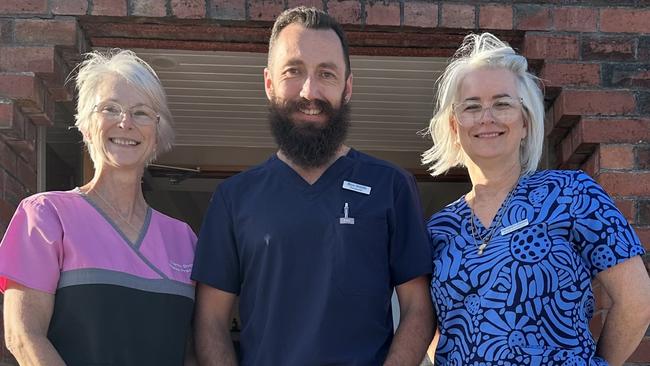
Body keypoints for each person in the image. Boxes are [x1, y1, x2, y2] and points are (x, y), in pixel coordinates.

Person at [192, 6, 434, 366]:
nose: (310, 91)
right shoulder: (234, 198)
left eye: (327, 74)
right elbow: (210, 321)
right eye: (294, 71)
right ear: (269, 82)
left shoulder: (391, 186)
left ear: (348, 87)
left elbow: (418, 308)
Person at [422, 32, 650, 365]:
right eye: (472, 107)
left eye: (502, 103)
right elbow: (436, 332)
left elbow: (637, 300)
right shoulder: (438, 228)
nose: (487, 117)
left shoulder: (572, 193)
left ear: (526, 121)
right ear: (455, 126)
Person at [0, 50, 197, 365]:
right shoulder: (45, 216)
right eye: (110, 108)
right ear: (86, 126)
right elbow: (23, 335)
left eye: (142, 112)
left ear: (157, 134)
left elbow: (188, 352)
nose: (126, 122)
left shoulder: (185, 240)